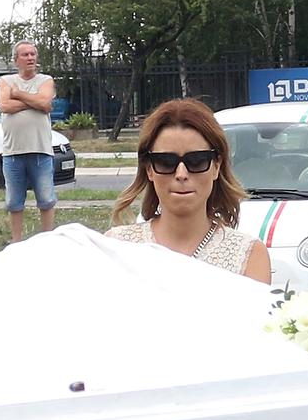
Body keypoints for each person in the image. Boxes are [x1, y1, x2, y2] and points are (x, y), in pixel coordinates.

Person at [105, 98, 272, 283]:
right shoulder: (116, 246)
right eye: (166, 162)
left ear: (216, 166)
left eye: (197, 161)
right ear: (149, 169)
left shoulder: (249, 256)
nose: (181, 174)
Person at [0, 41, 57, 244]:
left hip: (41, 150)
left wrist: (18, 94)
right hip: (13, 152)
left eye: (33, 54)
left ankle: (47, 240)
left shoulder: (45, 80)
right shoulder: (5, 81)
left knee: (46, 199)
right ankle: (17, 242)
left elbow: (45, 103)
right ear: (16, 60)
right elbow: (5, 105)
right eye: (25, 55)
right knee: (14, 202)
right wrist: (34, 102)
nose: (30, 58)